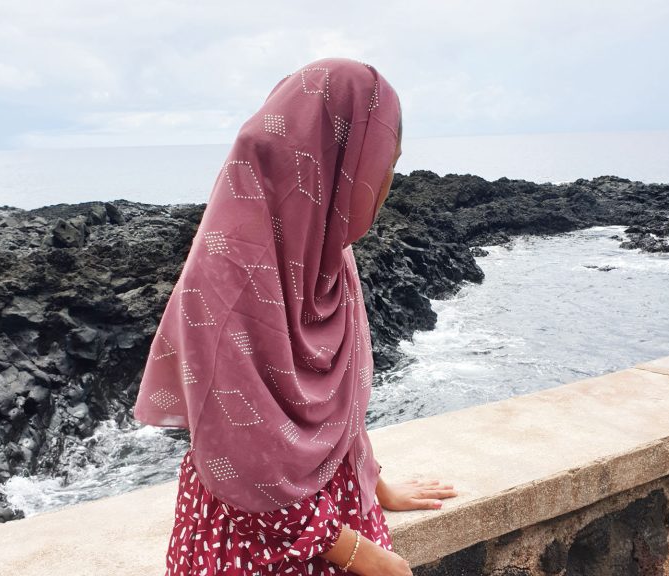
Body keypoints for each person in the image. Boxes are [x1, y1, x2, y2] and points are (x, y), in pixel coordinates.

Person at [132, 57, 458, 576]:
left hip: (335, 523)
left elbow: (338, 410)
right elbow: (243, 464)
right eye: (383, 166)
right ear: (333, 163)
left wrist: (374, 482)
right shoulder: (224, 280)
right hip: (249, 550)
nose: (386, 186)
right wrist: (367, 557)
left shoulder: (326, 259)